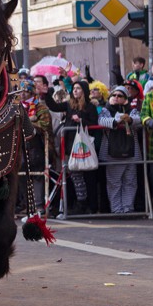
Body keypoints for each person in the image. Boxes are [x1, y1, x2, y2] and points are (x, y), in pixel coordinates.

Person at [43, 79, 98, 214]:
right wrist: (46, 94)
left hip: (84, 146)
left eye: (78, 88)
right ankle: (80, 203)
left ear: (84, 91)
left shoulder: (90, 106)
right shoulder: (69, 104)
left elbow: (94, 123)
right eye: (74, 88)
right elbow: (54, 107)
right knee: (75, 176)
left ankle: (90, 205)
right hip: (70, 146)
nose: (75, 91)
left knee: (88, 177)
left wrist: (81, 121)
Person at [98, 86, 140, 213]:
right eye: (114, 95)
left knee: (130, 181)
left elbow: (138, 120)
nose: (116, 97)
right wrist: (117, 121)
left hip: (131, 152)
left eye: (120, 96)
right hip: (112, 153)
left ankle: (128, 208)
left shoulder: (132, 110)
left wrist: (130, 119)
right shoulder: (106, 110)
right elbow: (101, 121)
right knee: (114, 183)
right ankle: (117, 209)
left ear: (125, 98)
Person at [18, 80, 53, 214]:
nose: (22, 94)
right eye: (20, 91)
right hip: (21, 147)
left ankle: (38, 205)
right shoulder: (17, 107)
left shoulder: (40, 108)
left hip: (38, 146)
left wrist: (29, 123)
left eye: (25, 91)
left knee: (38, 176)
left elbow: (45, 126)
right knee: (21, 176)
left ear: (31, 93)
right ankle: (26, 204)